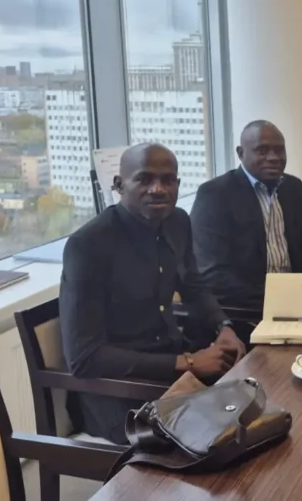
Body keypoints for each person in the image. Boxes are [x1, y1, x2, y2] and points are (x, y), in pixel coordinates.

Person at [60, 143, 245, 443]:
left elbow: (194, 286)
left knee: (254, 400)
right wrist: (189, 363)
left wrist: (223, 327)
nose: (158, 189)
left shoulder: (178, 222)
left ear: (178, 185)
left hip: (172, 369)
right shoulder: (89, 245)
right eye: (144, 179)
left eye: (168, 180)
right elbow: (84, 358)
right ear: (119, 185)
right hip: (118, 393)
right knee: (218, 438)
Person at [191, 121, 302, 340]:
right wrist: (280, 300)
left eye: (279, 150)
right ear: (241, 153)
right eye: (262, 150)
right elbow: (213, 274)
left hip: (297, 308)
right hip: (243, 313)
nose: (273, 157)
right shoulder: (215, 194)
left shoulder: (293, 188)